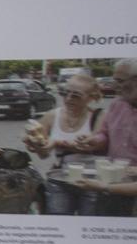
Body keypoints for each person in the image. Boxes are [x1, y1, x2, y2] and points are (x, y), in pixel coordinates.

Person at [22, 74, 101, 215]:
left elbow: (94, 146)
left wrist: (56, 142)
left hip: (92, 183)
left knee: (89, 226)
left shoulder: (98, 116)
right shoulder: (52, 116)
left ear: (90, 97)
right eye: (65, 93)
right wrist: (35, 144)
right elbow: (44, 155)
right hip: (60, 180)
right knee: (58, 223)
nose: (68, 98)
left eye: (76, 95)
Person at [73, 59, 137, 215]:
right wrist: (94, 141)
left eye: (120, 81)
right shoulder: (116, 105)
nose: (115, 85)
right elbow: (104, 134)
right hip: (111, 185)